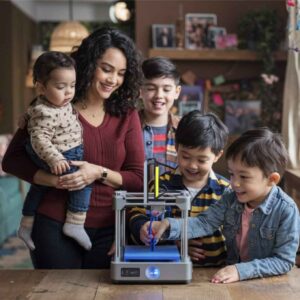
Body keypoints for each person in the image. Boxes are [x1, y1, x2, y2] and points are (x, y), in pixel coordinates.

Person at [2, 27, 144, 269]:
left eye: (121, 73)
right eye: (106, 69)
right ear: (88, 64)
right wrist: (52, 180)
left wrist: (98, 172)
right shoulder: (52, 105)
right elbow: (12, 160)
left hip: (110, 230)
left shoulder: (127, 115)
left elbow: (138, 178)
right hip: (53, 225)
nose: (113, 80)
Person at [146, 128, 300, 283]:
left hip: (267, 284)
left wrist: (240, 270)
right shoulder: (230, 198)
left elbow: (283, 261)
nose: (234, 183)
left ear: (271, 179)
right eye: (232, 174)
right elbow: (204, 222)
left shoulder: (287, 210)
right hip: (232, 279)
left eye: (244, 177)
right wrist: (169, 225)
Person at [129, 110, 230, 266]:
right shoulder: (160, 185)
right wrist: (143, 227)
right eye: (186, 156)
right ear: (176, 147)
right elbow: (138, 213)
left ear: (217, 155)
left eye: (201, 160)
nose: (192, 165)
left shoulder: (226, 191)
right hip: (170, 269)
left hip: (215, 272)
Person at [18, 51, 93, 252]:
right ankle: (75, 222)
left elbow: (34, 112)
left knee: (39, 186)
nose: (68, 92)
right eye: (61, 87)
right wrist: (54, 158)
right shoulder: (45, 111)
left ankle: (26, 224)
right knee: (82, 182)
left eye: (72, 85)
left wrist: (26, 115)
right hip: (58, 154)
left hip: (66, 152)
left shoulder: (55, 103)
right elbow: (39, 138)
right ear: (41, 88)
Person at [139, 56, 181, 174]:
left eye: (166, 89)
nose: (159, 95)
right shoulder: (127, 128)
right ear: (140, 91)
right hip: (135, 192)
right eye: (151, 88)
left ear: (177, 92)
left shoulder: (185, 129)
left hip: (174, 192)